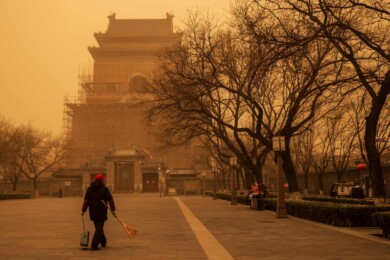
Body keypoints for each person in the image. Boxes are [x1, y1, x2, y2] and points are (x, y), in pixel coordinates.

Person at [81, 173, 116, 250]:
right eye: (103, 179)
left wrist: (83, 210)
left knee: (98, 227)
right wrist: (113, 210)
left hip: (93, 212)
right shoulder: (104, 189)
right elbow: (110, 200)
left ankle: (103, 242)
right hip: (101, 212)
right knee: (99, 228)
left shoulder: (89, 189)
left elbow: (86, 201)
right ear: (102, 180)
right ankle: (94, 245)